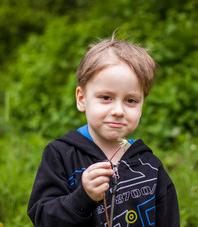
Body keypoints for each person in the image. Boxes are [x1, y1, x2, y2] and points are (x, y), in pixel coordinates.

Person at [27, 36, 180, 227]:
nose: (118, 111)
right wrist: (82, 198)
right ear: (82, 99)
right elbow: (42, 219)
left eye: (130, 100)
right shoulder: (61, 155)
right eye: (106, 97)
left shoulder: (150, 166)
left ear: (142, 104)